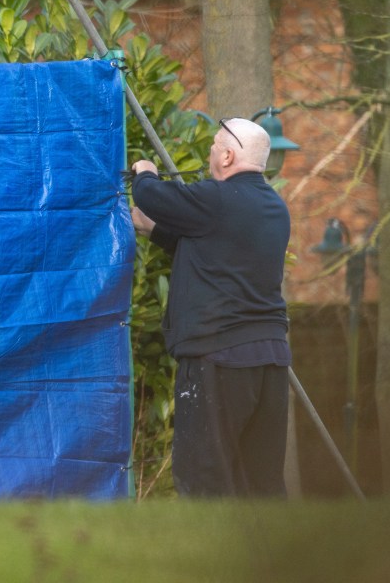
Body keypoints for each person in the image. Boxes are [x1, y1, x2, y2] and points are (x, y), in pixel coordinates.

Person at [130, 117, 292, 497]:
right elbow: (218, 252)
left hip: (219, 360)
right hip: (270, 362)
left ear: (228, 155)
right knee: (262, 481)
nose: (209, 153)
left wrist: (145, 173)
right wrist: (155, 230)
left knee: (204, 476)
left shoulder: (216, 199)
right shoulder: (274, 207)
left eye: (214, 145)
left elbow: (151, 197)